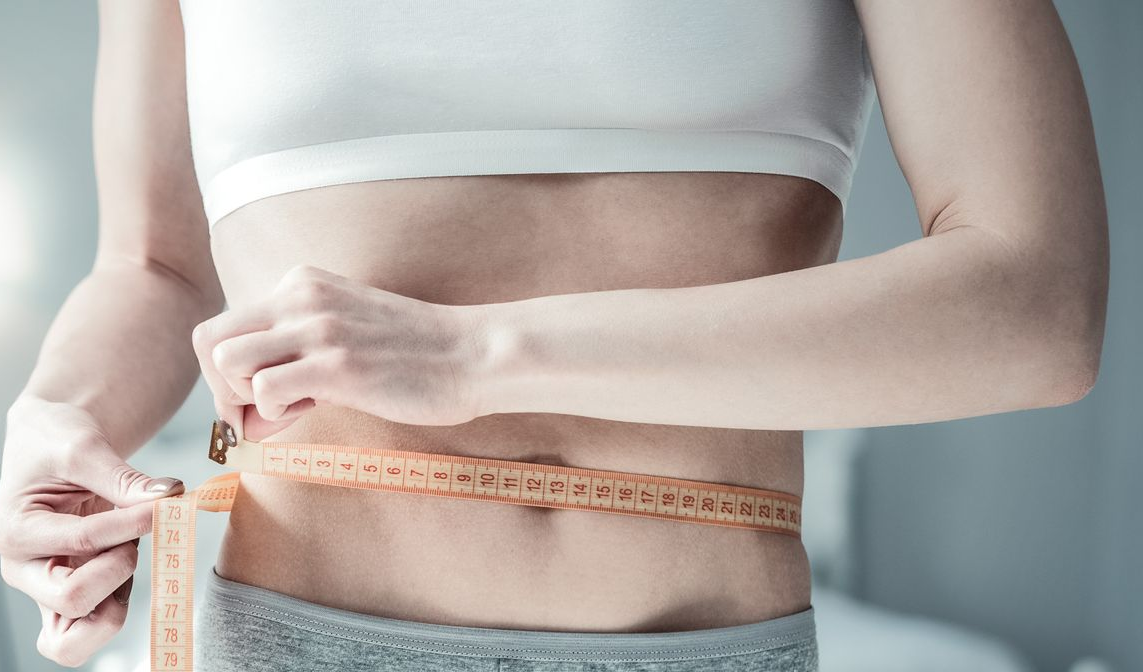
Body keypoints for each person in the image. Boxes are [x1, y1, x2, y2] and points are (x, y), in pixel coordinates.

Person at [0, 1, 1107, 670]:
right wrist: (56, 415)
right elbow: (152, 266)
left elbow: (1037, 306)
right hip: (289, 625)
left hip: (697, 641)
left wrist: (475, 355)